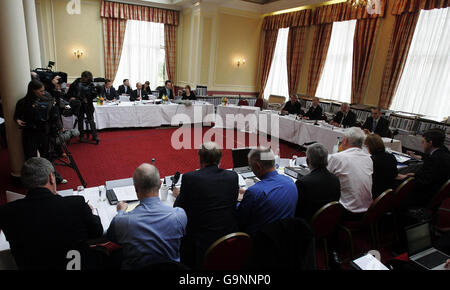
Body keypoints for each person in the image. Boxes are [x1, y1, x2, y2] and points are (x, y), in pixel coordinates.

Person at [0, 157, 103, 270]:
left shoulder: (6, 212)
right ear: (51, 178)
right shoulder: (76, 204)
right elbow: (97, 232)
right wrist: (89, 212)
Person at [107, 163, 187, 270]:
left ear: (135, 187)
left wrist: (121, 212)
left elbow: (111, 237)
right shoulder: (179, 215)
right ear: (160, 184)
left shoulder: (122, 221)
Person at [173, 142, 239, 268]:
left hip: (201, 245)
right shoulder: (232, 176)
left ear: (200, 159)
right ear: (220, 159)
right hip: (230, 240)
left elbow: (178, 207)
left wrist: (179, 195)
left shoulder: (189, 178)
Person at [237, 147, 298, 235]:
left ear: (258, 166)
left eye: (250, 166)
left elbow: (240, 218)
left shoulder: (254, 192)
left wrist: (238, 201)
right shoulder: (290, 182)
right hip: (287, 235)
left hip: (261, 241)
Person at [327, 127, 373, 220]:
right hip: (368, 210)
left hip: (347, 210)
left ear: (345, 141)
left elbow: (324, 177)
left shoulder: (338, 157)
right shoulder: (368, 158)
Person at [398, 129, 450, 207]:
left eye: (423, 142)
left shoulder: (433, 159)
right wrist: (414, 175)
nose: (422, 144)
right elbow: (429, 175)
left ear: (430, 143)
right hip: (436, 191)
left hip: (425, 195)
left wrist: (407, 178)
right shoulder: (444, 153)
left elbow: (423, 182)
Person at [295, 143, 341, 221]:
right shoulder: (336, 179)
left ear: (307, 161)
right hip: (329, 223)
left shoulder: (303, 183)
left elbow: (296, 209)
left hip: (306, 227)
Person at [67, 71, 99, 144]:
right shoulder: (76, 83)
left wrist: (96, 92)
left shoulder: (90, 83)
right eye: (86, 79)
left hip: (88, 104)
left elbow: (93, 95)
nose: (87, 80)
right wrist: (72, 98)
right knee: (80, 120)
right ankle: (81, 136)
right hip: (79, 104)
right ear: (83, 77)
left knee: (91, 120)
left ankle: (95, 135)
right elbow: (70, 94)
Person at [364, 134, 398, 199]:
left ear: (370, 146)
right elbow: (395, 174)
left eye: (366, 146)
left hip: (375, 193)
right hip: (389, 192)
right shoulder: (391, 156)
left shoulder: (371, 160)